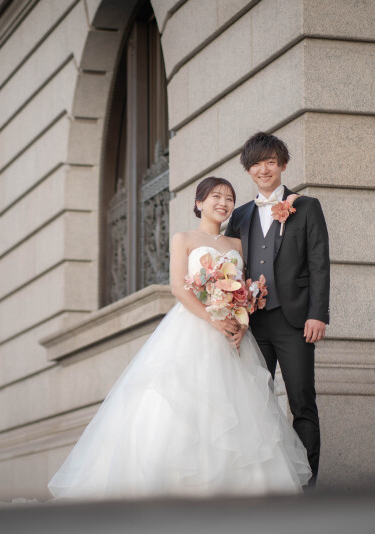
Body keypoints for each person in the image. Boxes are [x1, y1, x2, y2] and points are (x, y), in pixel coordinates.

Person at [47, 177, 311, 500]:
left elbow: (245, 289)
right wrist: (212, 319)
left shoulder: (238, 244)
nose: (223, 203)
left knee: (237, 410)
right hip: (193, 328)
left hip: (231, 336)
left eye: (229, 198)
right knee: (185, 406)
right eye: (216, 196)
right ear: (199, 203)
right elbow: (178, 287)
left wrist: (241, 323)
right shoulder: (183, 238)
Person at [225, 132, 329, 488]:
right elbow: (231, 267)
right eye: (256, 164)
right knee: (255, 403)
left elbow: (319, 263)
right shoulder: (240, 216)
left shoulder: (307, 207)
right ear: (248, 170)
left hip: (295, 320)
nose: (263, 169)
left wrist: (318, 313)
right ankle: (263, 484)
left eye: (270, 161)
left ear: (282, 164)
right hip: (252, 324)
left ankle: (307, 487)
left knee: (302, 401)